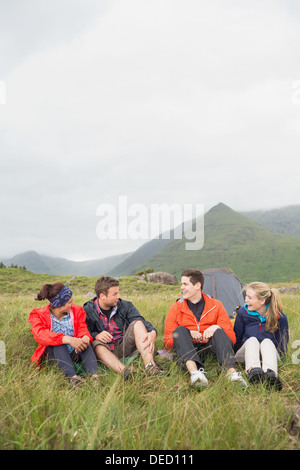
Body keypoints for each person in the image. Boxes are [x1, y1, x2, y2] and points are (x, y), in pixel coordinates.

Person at [164, 269, 247, 388]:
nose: (181, 287)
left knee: (219, 330)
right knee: (180, 330)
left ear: (197, 285)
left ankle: (231, 374)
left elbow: (231, 338)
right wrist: (188, 333)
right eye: (181, 284)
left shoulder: (216, 305)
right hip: (187, 350)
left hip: (210, 348)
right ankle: (195, 373)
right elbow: (167, 342)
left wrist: (216, 327)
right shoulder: (175, 308)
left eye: (185, 284)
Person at [83, 276, 164, 377]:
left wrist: (153, 332)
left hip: (124, 345)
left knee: (137, 323)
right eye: (115, 294)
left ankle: (150, 367)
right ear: (102, 296)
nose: (118, 296)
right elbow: (83, 332)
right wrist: (96, 335)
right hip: (105, 350)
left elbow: (140, 321)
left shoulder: (126, 305)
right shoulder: (88, 309)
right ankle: (126, 372)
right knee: (96, 344)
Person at [28, 282, 99, 387]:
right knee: (58, 344)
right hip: (54, 356)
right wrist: (68, 339)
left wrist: (85, 337)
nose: (73, 303)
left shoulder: (77, 310)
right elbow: (40, 335)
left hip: (75, 352)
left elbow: (82, 328)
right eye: (69, 302)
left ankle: (94, 377)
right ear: (59, 304)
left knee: (85, 344)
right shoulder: (38, 315)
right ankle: (73, 379)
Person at [234, 282, 289, 390]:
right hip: (246, 353)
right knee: (252, 340)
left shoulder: (280, 317)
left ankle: (270, 375)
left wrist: (282, 358)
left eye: (250, 298)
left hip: (269, 354)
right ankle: (253, 371)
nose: (245, 300)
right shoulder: (242, 313)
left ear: (262, 301)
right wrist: (233, 356)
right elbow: (237, 337)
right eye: (246, 296)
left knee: (267, 342)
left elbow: (282, 341)